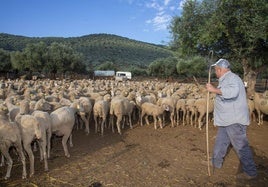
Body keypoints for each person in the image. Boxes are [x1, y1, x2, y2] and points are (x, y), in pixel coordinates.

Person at [206, 58, 257, 180]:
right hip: (227, 119)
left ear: (220, 69)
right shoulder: (226, 79)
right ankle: (216, 162)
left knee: (240, 146)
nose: (215, 72)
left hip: (234, 120)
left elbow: (232, 92)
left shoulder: (232, 78)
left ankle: (251, 172)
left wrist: (214, 90)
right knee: (220, 142)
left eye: (216, 70)